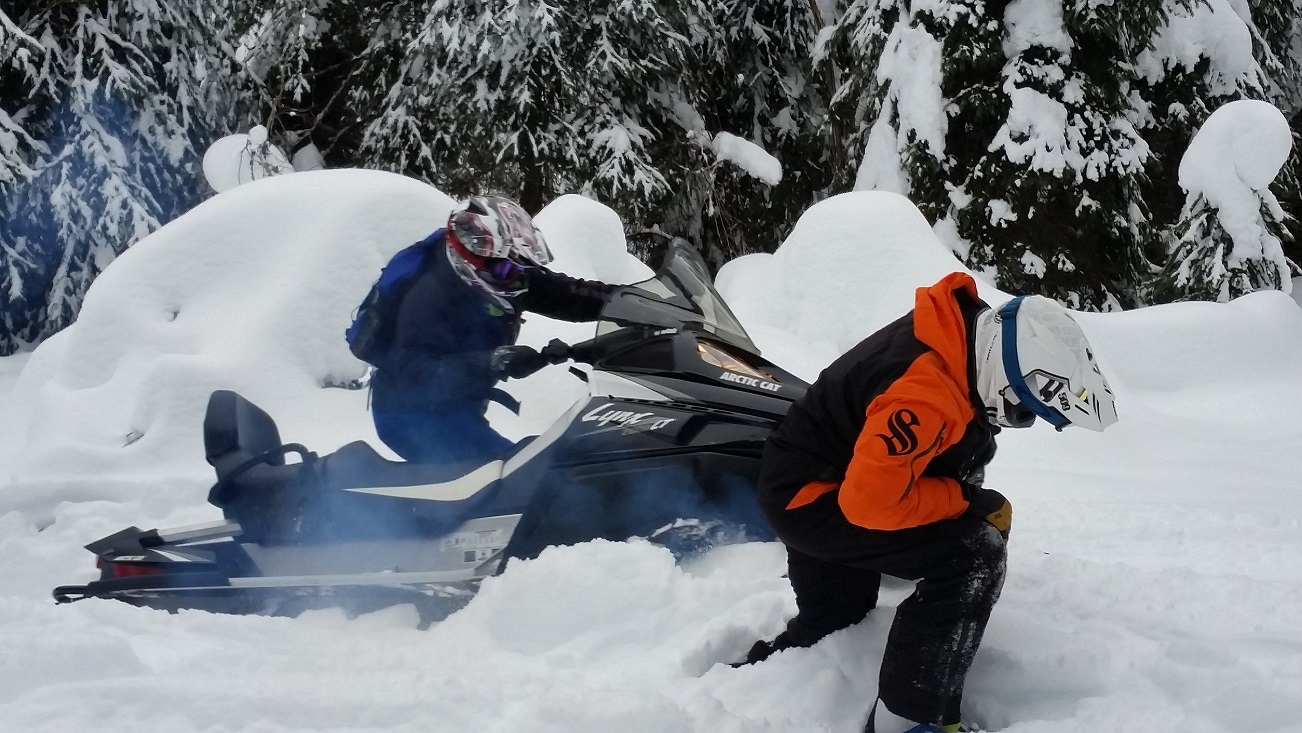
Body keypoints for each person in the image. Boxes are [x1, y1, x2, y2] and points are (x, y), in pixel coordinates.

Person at [734, 272, 1118, 733]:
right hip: (816, 499)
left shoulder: (960, 338)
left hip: (812, 478)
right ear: (1005, 376)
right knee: (972, 554)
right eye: (1022, 411)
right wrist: (964, 502)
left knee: (837, 624)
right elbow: (869, 504)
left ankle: (745, 687)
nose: (1018, 421)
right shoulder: (925, 396)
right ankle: (909, 719)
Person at [368, 195, 616, 465]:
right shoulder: (429, 296)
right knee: (521, 474)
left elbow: (568, 295)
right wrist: (494, 362)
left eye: (521, 265)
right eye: (509, 268)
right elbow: (416, 373)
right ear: (474, 261)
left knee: (539, 465)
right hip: (411, 416)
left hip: (459, 404)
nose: (518, 275)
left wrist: (634, 301)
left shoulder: (505, 277)